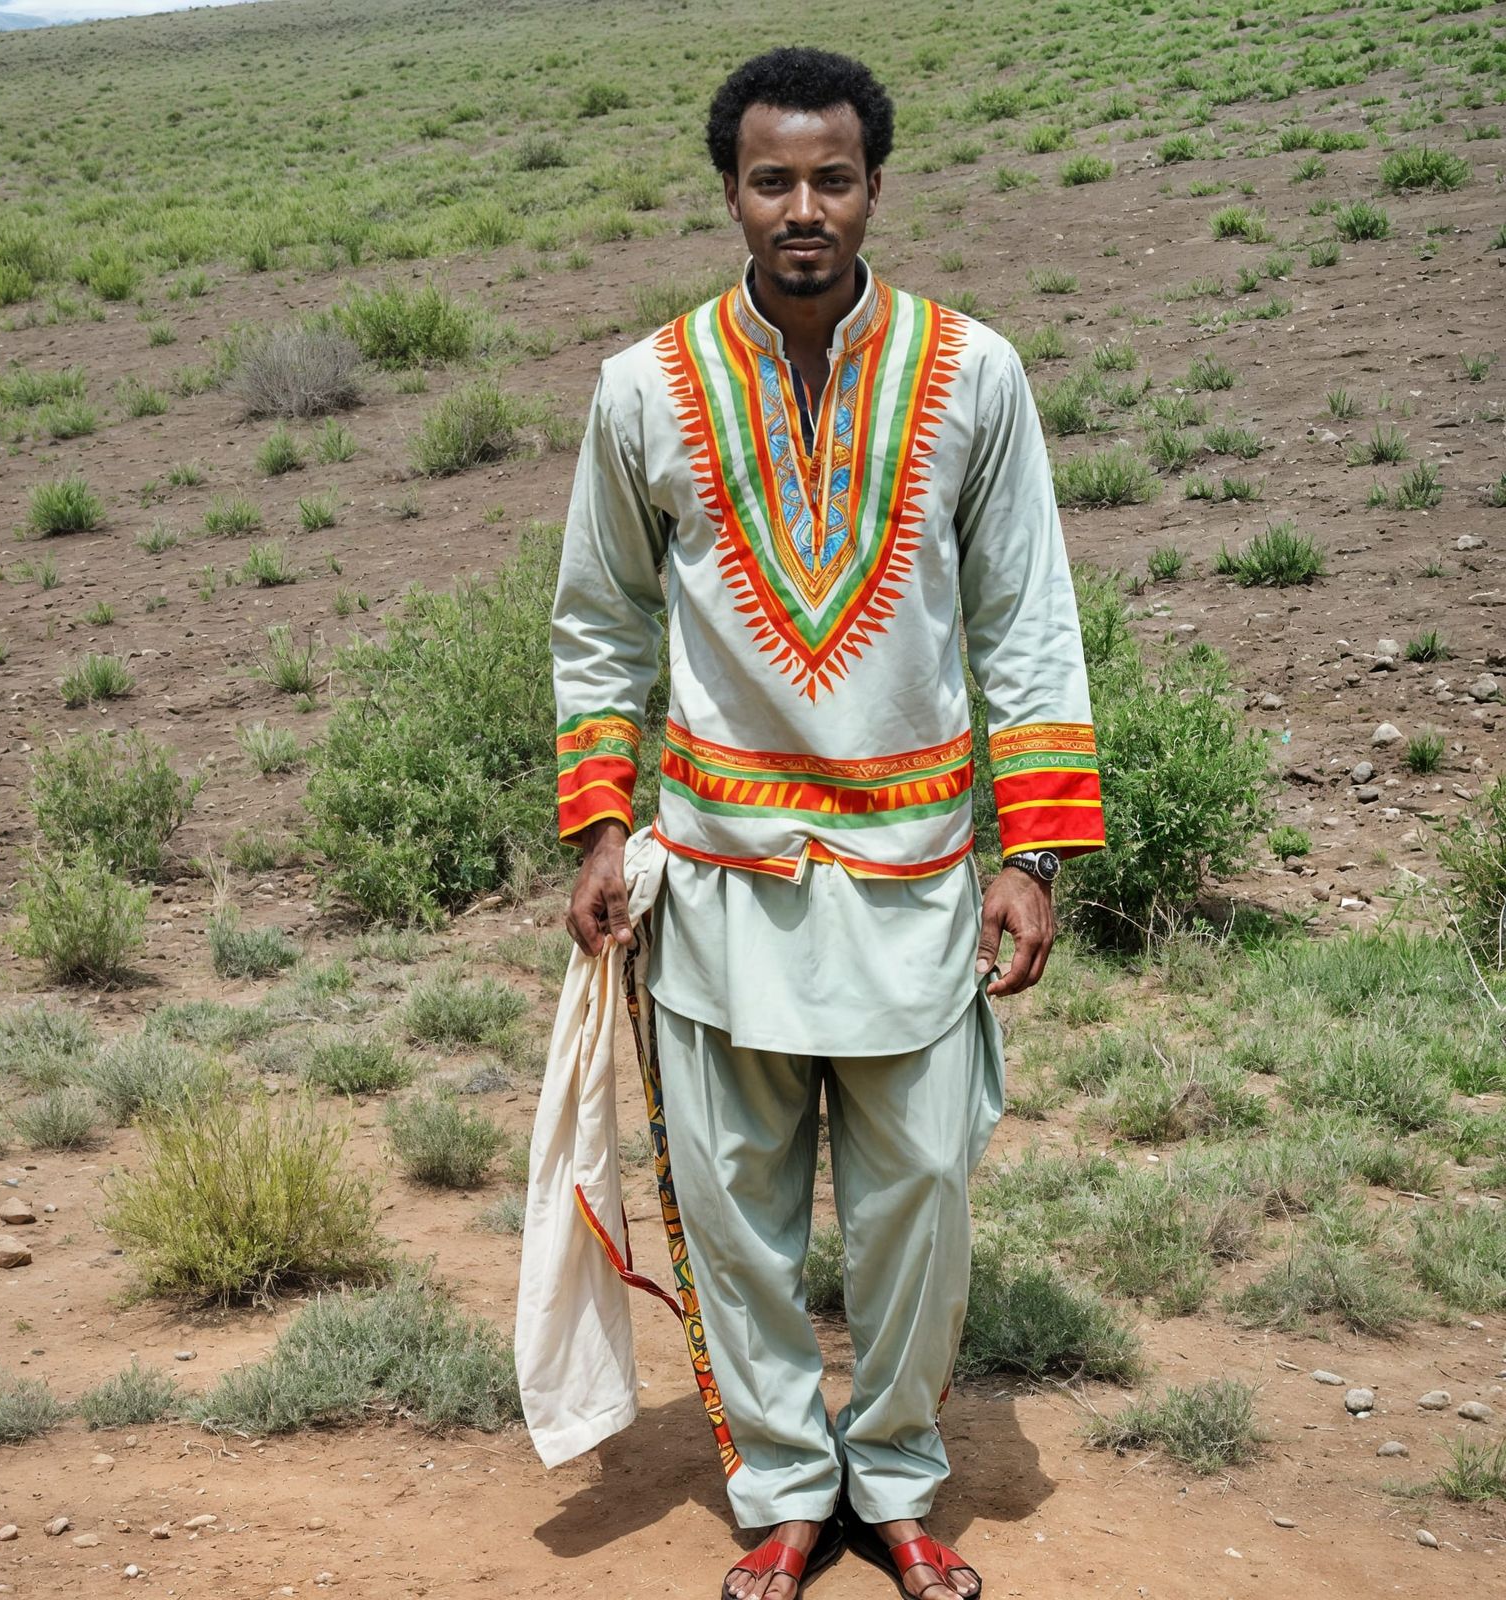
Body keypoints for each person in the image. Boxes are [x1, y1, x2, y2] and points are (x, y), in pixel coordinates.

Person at [550, 45, 1105, 1600]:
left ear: (876, 186)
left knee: (922, 1192)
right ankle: (791, 1489)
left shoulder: (973, 372)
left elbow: (1029, 624)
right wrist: (603, 829)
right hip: (719, 876)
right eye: (774, 178)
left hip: (918, 873)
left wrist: (1033, 852)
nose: (806, 207)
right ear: (730, 189)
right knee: (734, 1210)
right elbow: (598, 624)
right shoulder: (642, 389)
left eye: (835, 177)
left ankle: (903, 1479)